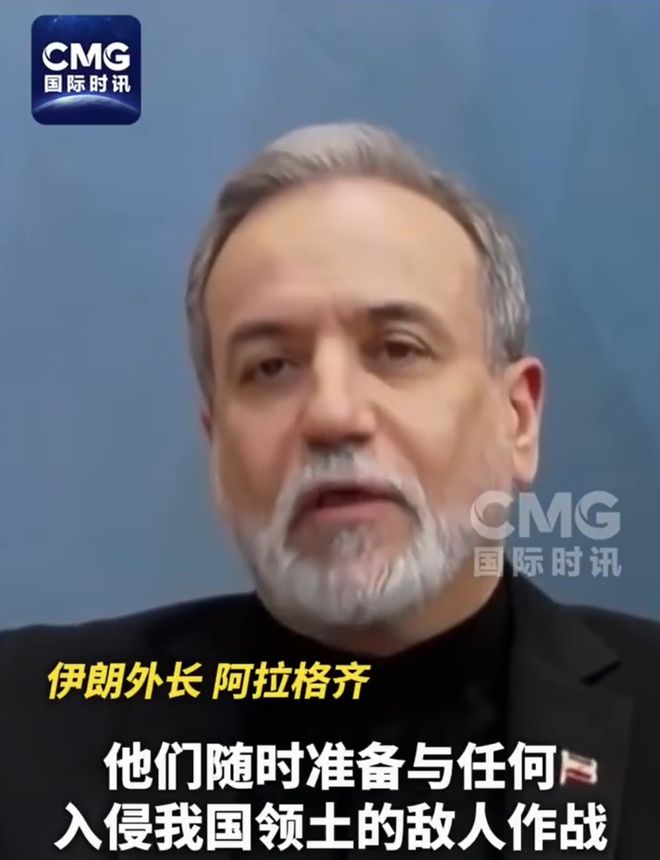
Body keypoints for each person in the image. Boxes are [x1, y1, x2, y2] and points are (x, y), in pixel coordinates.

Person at [1, 122, 659, 858]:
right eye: (271, 367)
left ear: (518, 420)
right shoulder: (23, 730)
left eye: (398, 349)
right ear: (216, 444)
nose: (332, 414)